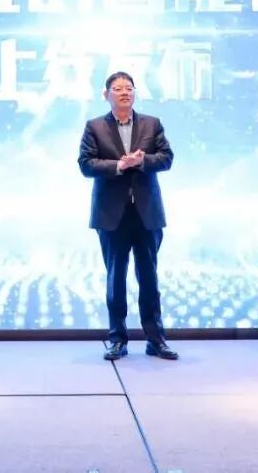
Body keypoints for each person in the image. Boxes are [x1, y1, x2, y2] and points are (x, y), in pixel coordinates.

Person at [79, 72, 177, 361]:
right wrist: (119, 166)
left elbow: (167, 158)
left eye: (129, 88)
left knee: (149, 279)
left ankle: (156, 340)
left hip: (146, 213)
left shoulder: (151, 124)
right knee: (116, 279)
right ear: (106, 94)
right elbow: (86, 164)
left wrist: (142, 161)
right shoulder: (95, 126)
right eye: (118, 88)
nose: (124, 92)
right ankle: (117, 340)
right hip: (112, 215)